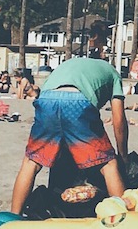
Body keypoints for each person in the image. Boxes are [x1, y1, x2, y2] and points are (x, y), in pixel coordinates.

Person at [9, 53, 128, 214]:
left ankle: (13, 217)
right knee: (108, 164)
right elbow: (119, 120)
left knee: (31, 162)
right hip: (77, 100)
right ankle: (123, 218)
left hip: (47, 98)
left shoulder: (70, 64)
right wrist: (122, 155)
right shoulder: (113, 73)